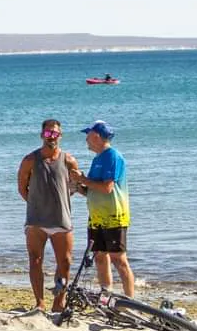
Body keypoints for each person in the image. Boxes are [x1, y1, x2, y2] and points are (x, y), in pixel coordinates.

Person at [17, 119, 79, 313]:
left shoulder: (68, 160)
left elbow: (74, 187)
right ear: (41, 135)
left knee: (65, 262)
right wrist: (36, 203)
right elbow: (22, 188)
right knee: (35, 260)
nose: (51, 137)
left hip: (61, 219)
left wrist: (59, 200)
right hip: (36, 220)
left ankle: (59, 301)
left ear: (60, 136)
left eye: (55, 133)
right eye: (47, 133)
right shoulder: (30, 160)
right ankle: (40, 302)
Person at [71, 121, 134, 296]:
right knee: (99, 257)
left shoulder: (112, 156)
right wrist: (77, 186)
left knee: (118, 259)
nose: (86, 139)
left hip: (114, 216)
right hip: (96, 217)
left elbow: (107, 188)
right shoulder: (97, 159)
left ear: (96, 136)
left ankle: (130, 300)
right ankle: (106, 295)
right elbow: (93, 191)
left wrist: (83, 180)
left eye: (88, 135)